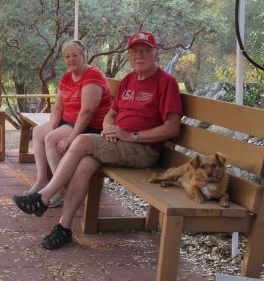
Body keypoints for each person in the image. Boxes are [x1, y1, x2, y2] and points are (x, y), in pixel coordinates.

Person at [12, 30, 183, 250]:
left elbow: (172, 128)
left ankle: (44, 197)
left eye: (144, 51)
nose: (138, 56)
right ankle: (64, 228)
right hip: (117, 143)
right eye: (134, 52)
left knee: (82, 142)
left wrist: (131, 135)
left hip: (142, 148)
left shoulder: (166, 82)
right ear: (129, 56)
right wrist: (108, 127)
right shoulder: (129, 80)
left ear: (156, 54)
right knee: (84, 166)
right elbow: (111, 113)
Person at [29, 39, 112, 208]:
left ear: (84, 56)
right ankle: (42, 180)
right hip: (68, 121)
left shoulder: (93, 75)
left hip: (90, 126)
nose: (71, 59)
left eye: (75, 55)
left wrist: (71, 138)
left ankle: (59, 189)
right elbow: (58, 106)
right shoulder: (67, 76)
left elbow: (87, 112)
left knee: (51, 139)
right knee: (38, 132)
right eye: (67, 56)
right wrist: (52, 127)